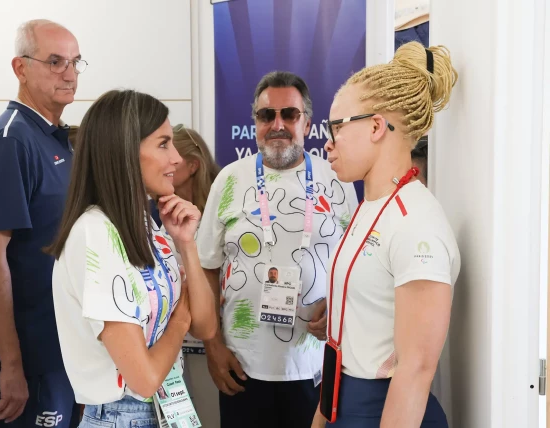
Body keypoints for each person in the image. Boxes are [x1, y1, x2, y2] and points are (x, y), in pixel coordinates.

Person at [197, 71, 358, 428]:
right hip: (242, 367)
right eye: (267, 115)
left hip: (316, 368)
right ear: (255, 121)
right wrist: (213, 347)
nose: (278, 124)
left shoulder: (337, 179)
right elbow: (205, 266)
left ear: (308, 122)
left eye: (290, 114)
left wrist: (337, 308)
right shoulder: (229, 180)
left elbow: (357, 263)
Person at [47, 89, 216, 427]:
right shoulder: (94, 234)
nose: (177, 160)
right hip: (122, 415)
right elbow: (144, 379)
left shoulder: (146, 223)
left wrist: (186, 244)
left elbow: (206, 325)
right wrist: (180, 322)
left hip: (165, 407)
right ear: (125, 151)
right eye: (163, 144)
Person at [313, 42, 461, 427]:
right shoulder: (370, 206)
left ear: (376, 126)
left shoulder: (416, 224)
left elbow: (415, 369)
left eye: (336, 127)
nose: (327, 142)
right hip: (340, 403)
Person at [0, 19, 85, 427]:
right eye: (55, 61)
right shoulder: (12, 141)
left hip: (66, 351)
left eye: (74, 62)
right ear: (20, 68)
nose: (69, 74)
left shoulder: (57, 139)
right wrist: (12, 366)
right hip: (33, 362)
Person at [161, 123, 221, 427]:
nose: (168, 160)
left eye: (173, 152)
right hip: (170, 348)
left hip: (210, 338)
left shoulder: (219, 208)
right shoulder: (157, 210)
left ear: (193, 165)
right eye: (162, 148)